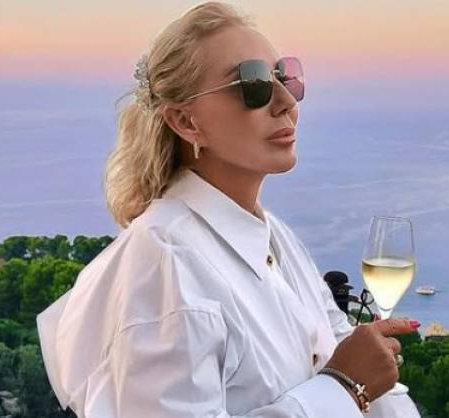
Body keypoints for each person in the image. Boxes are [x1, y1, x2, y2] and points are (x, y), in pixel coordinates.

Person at [36, 2, 422, 417]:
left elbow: (358, 361)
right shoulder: (166, 266)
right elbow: (351, 378)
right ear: (186, 122)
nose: (285, 102)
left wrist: (363, 375)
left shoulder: (274, 238)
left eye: (285, 77)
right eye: (252, 83)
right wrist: (345, 388)